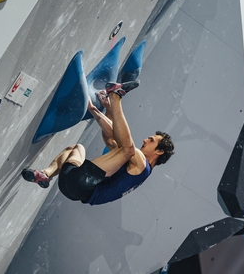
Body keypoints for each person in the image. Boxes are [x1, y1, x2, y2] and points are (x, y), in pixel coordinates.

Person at [21, 82, 174, 205]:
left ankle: (116, 96)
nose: (145, 140)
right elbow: (110, 139)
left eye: (151, 140)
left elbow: (124, 144)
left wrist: (113, 105)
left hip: (82, 183)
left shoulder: (142, 167)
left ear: (159, 151)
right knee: (75, 148)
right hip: (71, 188)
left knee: (127, 148)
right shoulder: (134, 168)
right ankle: (45, 174)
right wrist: (97, 109)